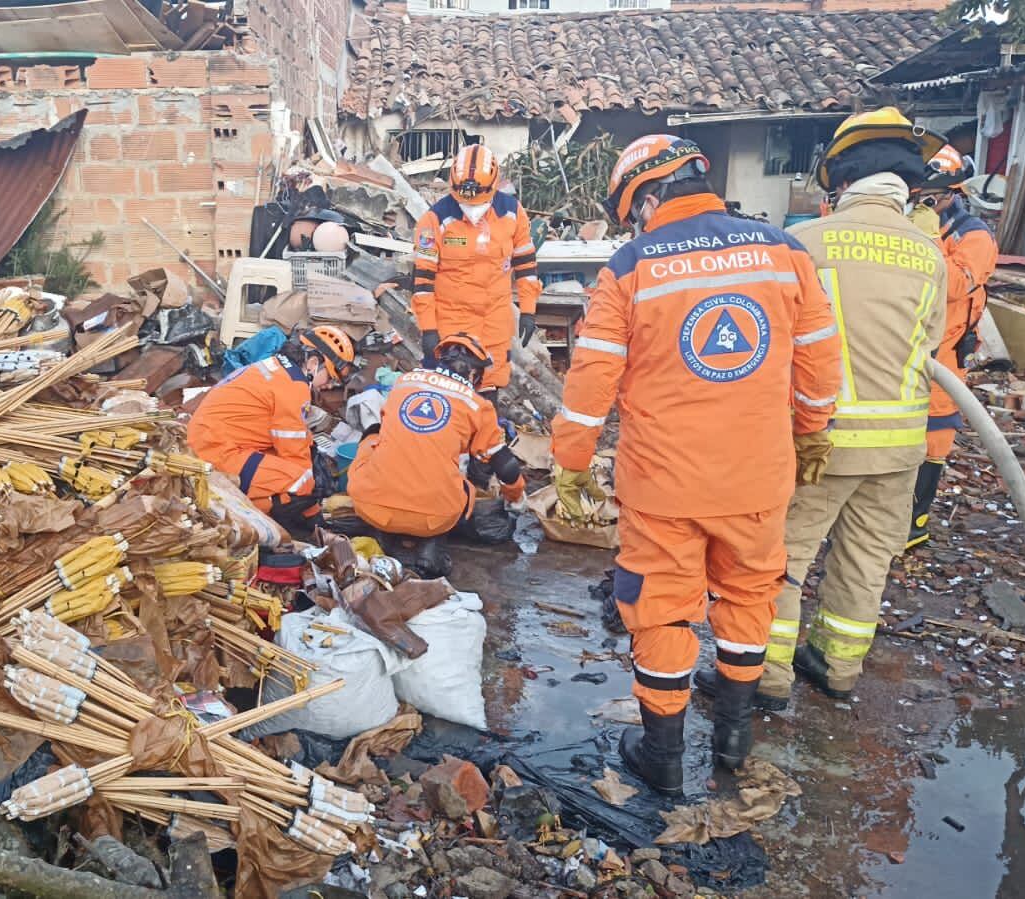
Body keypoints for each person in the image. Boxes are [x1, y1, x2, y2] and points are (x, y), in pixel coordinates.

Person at [550, 134, 842, 794]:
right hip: (757, 476)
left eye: (634, 212)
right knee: (749, 596)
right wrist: (810, 432)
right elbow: (820, 361)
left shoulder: (630, 267)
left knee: (660, 610)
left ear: (646, 199)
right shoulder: (785, 252)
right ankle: (733, 739)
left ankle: (662, 754)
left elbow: (591, 379)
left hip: (663, 485)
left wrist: (571, 461)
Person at [697, 108, 948, 708]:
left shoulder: (805, 243)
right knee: (866, 559)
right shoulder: (932, 255)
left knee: (779, 560)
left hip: (817, 439)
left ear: (839, 176)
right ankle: (837, 667)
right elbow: (933, 345)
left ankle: (766, 676)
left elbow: (766, 345)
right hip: (900, 447)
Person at [347, 334, 526, 577]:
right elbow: (505, 466)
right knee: (464, 488)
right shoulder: (477, 405)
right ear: (474, 374)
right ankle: (431, 548)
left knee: (372, 440)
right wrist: (515, 498)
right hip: (433, 519)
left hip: (371, 507)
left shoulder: (404, 383)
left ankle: (383, 533)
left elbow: (385, 429)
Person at [907, 144, 999, 548]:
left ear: (952, 193)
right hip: (903, 344)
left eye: (929, 197)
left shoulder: (973, 235)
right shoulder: (909, 222)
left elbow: (956, 284)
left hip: (944, 352)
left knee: (935, 435)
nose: (921, 203)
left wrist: (927, 238)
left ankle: (914, 523)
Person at [188, 326, 356, 529]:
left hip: (209, 441)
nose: (329, 385)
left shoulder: (276, 368)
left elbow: (292, 436)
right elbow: (294, 452)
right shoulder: (294, 386)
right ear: (313, 363)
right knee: (301, 481)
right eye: (330, 377)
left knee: (294, 469)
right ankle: (246, 519)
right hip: (216, 452)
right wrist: (313, 511)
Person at [412, 144, 543, 398]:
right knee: (449, 396)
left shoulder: (512, 213)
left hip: (495, 323)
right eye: (464, 198)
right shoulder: (434, 220)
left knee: (489, 395)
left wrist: (528, 311)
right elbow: (422, 280)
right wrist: (428, 329)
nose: (471, 206)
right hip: (452, 325)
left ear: (493, 186)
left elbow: (526, 265)